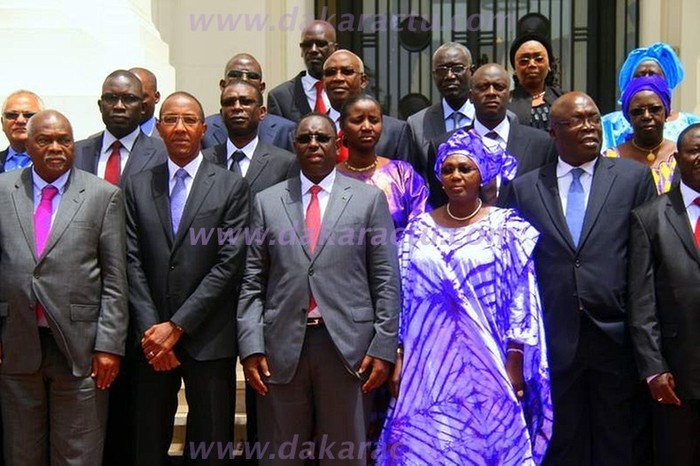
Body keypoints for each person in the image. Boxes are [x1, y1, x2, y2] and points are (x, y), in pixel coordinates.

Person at [378, 129, 552, 465]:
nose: (455, 176)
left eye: (465, 169)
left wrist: (514, 360)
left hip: (489, 358)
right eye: (448, 169)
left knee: (489, 441)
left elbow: (522, 298)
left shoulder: (506, 228)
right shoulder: (417, 230)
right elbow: (401, 295)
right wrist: (398, 358)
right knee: (430, 443)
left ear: (482, 176)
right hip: (427, 362)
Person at [237, 113, 400, 466]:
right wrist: (251, 346)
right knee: (281, 455)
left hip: (347, 348)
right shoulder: (267, 201)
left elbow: (386, 278)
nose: (313, 144)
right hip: (281, 349)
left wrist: (384, 345)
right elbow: (252, 280)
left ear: (337, 145)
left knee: (344, 455)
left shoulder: (368, 200)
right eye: (306, 139)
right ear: (294, 146)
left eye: (322, 138)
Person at [504, 92, 657, 466]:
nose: (590, 126)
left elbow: (646, 261)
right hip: (555, 337)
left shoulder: (632, 178)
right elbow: (516, 270)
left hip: (616, 333)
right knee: (562, 440)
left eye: (593, 118)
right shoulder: (524, 188)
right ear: (554, 132)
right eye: (577, 120)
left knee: (618, 440)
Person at [125, 92, 249, 466]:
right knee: (147, 445)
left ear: (204, 129)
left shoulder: (231, 187)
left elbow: (229, 264)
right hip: (150, 345)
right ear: (159, 127)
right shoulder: (137, 185)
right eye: (171, 119)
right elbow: (130, 260)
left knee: (210, 446)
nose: (180, 127)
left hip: (209, 338)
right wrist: (153, 331)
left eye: (189, 120)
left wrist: (177, 327)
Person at [0, 110, 128, 466]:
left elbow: (115, 279)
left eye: (64, 140)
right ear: (27, 144)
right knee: (21, 452)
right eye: (45, 140)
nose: (56, 148)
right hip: (16, 343)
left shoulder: (103, 196)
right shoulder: (3, 190)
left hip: (80, 347)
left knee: (78, 454)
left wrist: (109, 345)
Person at [628, 123, 700, 466]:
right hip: (677, 373)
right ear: (677, 158)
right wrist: (654, 368)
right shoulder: (650, 217)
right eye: (694, 151)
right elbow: (642, 303)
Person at [427, 63, 558, 207]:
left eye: (499, 87)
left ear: (509, 96)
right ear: (470, 96)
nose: (491, 93)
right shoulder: (445, 145)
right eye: (483, 87)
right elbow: (438, 204)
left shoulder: (541, 145)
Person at [337, 94, 429, 231]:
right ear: (342, 125)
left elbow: (422, 224)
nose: (367, 127)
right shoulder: (332, 178)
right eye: (358, 121)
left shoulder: (403, 174)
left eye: (374, 120)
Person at [203, 79, 297, 197]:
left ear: (262, 112)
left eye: (246, 102)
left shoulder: (285, 163)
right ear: (221, 114)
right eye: (229, 102)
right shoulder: (203, 161)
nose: (237, 107)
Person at [74, 69, 167, 188]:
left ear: (142, 107)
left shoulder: (162, 154)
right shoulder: (77, 153)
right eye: (111, 98)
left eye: (129, 99)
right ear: (100, 106)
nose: (119, 106)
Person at [323, 50, 417, 166]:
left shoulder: (396, 131)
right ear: (323, 81)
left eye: (347, 72)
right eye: (330, 72)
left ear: (363, 81)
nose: (338, 78)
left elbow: (406, 179)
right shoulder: (311, 129)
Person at [601, 42, 700, 152]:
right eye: (640, 76)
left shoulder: (691, 123)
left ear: (667, 83)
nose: (646, 80)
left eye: (653, 75)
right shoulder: (610, 124)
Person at [201, 53, 296, 152]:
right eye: (235, 75)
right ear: (223, 85)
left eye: (252, 76)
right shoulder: (205, 130)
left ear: (261, 87)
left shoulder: (285, 130)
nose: (244, 79)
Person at [406, 42, 475, 180]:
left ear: (471, 72)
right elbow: (413, 179)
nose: (449, 76)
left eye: (457, 68)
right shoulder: (417, 124)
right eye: (442, 70)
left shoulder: (492, 118)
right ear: (433, 75)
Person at [604, 75, 677, 193]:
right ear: (628, 117)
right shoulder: (610, 159)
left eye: (654, 109)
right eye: (637, 112)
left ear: (666, 112)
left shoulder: (682, 156)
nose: (647, 116)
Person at [267, 20, 337, 123]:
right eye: (307, 45)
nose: (313, 50)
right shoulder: (280, 97)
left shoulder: (347, 91)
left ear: (335, 49)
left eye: (321, 44)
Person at [507, 32, 564, 131]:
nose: (532, 64)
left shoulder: (564, 99)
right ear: (515, 69)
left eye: (539, 59)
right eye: (524, 60)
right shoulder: (506, 102)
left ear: (549, 65)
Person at [0, 90, 44, 172]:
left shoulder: (57, 163)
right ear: (2, 122)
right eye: (12, 115)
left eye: (29, 115)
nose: (20, 120)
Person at [129, 67, 161, 138]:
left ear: (156, 97)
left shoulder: (169, 140)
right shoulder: (101, 143)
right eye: (129, 98)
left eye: (141, 96)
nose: (134, 104)